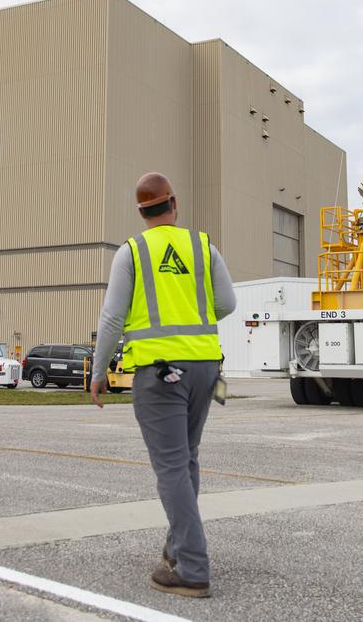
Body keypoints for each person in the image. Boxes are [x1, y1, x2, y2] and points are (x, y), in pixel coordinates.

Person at [89, 172, 236, 599]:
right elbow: (226, 303)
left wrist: (99, 372)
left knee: (171, 466)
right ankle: (176, 548)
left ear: (140, 211)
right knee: (186, 460)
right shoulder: (202, 246)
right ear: (174, 203)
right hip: (206, 367)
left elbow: (113, 319)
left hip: (159, 373)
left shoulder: (130, 252)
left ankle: (192, 568)